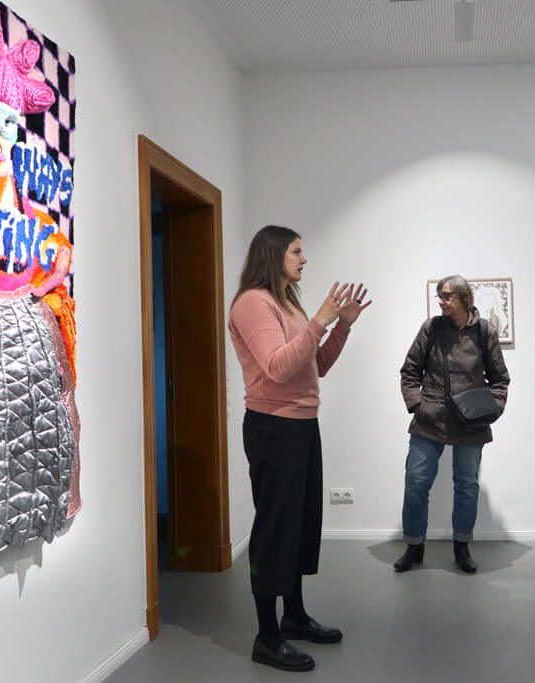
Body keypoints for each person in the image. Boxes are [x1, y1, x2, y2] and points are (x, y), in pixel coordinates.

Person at [227, 225, 371, 672]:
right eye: (296, 251)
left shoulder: (287, 301)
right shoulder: (254, 302)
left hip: (303, 426)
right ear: (273, 255)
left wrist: (341, 327)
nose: (303, 260)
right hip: (273, 428)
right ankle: (266, 638)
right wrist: (321, 321)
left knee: (301, 523)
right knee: (276, 527)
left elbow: (316, 366)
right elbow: (276, 367)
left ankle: (293, 617)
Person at [396, 275, 510, 574]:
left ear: (463, 297)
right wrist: (418, 406)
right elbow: (409, 372)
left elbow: (500, 379)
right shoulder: (431, 328)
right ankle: (414, 546)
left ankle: (462, 546)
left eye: (447, 296)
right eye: (439, 296)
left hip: (471, 421)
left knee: (467, 486)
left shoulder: (485, 331)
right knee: (416, 481)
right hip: (430, 418)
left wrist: (493, 409)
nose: (442, 301)